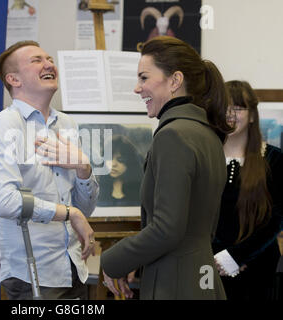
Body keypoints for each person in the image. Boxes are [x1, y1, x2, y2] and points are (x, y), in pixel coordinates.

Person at [100, 36, 232, 300]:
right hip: (200, 275)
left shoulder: (173, 135)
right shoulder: (207, 134)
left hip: (175, 282)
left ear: (175, 81)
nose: (137, 88)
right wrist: (135, 261)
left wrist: (112, 261)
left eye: (144, 78)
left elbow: (167, 228)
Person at [0, 40, 99, 300]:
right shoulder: (5, 125)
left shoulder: (67, 124)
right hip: (32, 274)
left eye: (49, 59)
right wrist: (69, 213)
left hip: (74, 267)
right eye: (36, 60)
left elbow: (85, 209)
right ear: (14, 79)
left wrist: (84, 169)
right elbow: (3, 201)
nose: (49, 64)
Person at [212, 80, 282, 300]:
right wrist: (215, 256)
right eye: (225, 107)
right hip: (209, 266)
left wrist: (237, 256)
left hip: (259, 269)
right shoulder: (206, 157)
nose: (230, 113)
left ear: (252, 115)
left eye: (238, 107)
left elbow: (277, 218)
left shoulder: (273, 158)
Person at [97, 135, 143, 207]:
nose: (113, 164)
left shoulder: (140, 190)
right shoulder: (98, 189)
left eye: (120, 160)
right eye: (109, 158)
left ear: (130, 162)